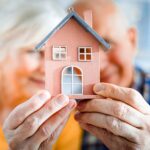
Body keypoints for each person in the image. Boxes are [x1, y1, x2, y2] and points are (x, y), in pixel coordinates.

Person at [1, 0, 150, 150]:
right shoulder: (67, 110)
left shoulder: (67, 117)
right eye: (35, 53)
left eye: (107, 43)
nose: (99, 64)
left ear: (132, 40)